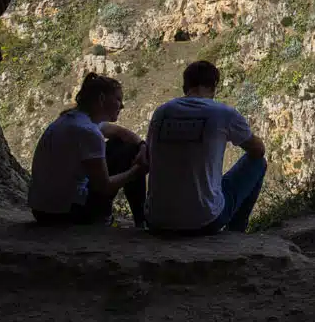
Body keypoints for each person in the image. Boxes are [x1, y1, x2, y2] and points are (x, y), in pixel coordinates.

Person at [145, 60, 268, 234]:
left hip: (157, 221)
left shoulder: (161, 112)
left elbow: (147, 157)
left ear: (184, 86)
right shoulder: (223, 113)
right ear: (214, 86)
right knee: (258, 163)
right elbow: (258, 151)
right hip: (205, 221)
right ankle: (236, 233)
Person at [28, 73, 149, 226]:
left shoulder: (73, 119)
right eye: (118, 99)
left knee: (125, 145)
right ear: (101, 99)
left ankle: (140, 220)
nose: (122, 105)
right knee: (128, 151)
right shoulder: (88, 132)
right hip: (65, 215)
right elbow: (104, 186)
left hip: (42, 210)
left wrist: (142, 145)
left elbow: (118, 132)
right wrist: (137, 171)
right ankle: (140, 221)